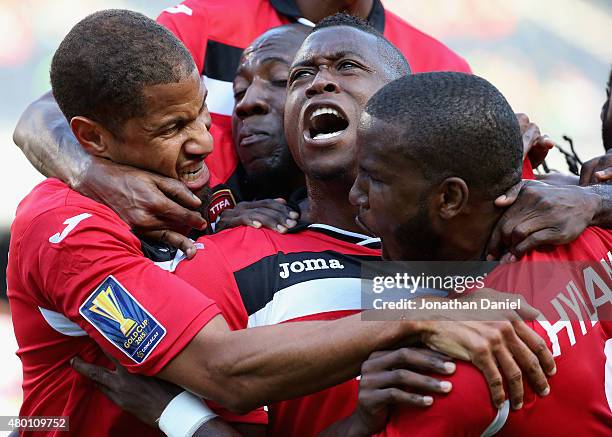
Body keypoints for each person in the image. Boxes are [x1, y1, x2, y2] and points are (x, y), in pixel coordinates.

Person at [8, 11, 549, 437]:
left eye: (202, 112)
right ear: (94, 139)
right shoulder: (77, 230)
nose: (203, 140)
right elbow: (220, 370)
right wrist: (417, 316)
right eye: (173, 127)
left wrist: (594, 196)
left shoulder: (510, 219)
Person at [340, 72, 612, 436]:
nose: (355, 195)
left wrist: (357, 424)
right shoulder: (588, 231)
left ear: (451, 198)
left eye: (374, 179)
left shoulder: (458, 369)